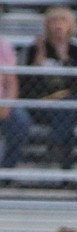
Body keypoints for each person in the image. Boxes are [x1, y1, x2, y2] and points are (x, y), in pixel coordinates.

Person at [24, 6, 77, 170]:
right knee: (66, 109)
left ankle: (57, 151)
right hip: (41, 103)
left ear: (70, 25)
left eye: (62, 21)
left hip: (67, 104)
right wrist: (38, 62)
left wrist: (64, 58)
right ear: (47, 25)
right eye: (53, 21)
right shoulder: (36, 49)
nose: (58, 25)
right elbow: (27, 85)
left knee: (67, 106)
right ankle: (65, 160)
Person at [0, 33, 32, 169]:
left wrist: (6, 105)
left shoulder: (3, 45)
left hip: (2, 100)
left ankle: (7, 168)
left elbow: (12, 81)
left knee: (21, 122)